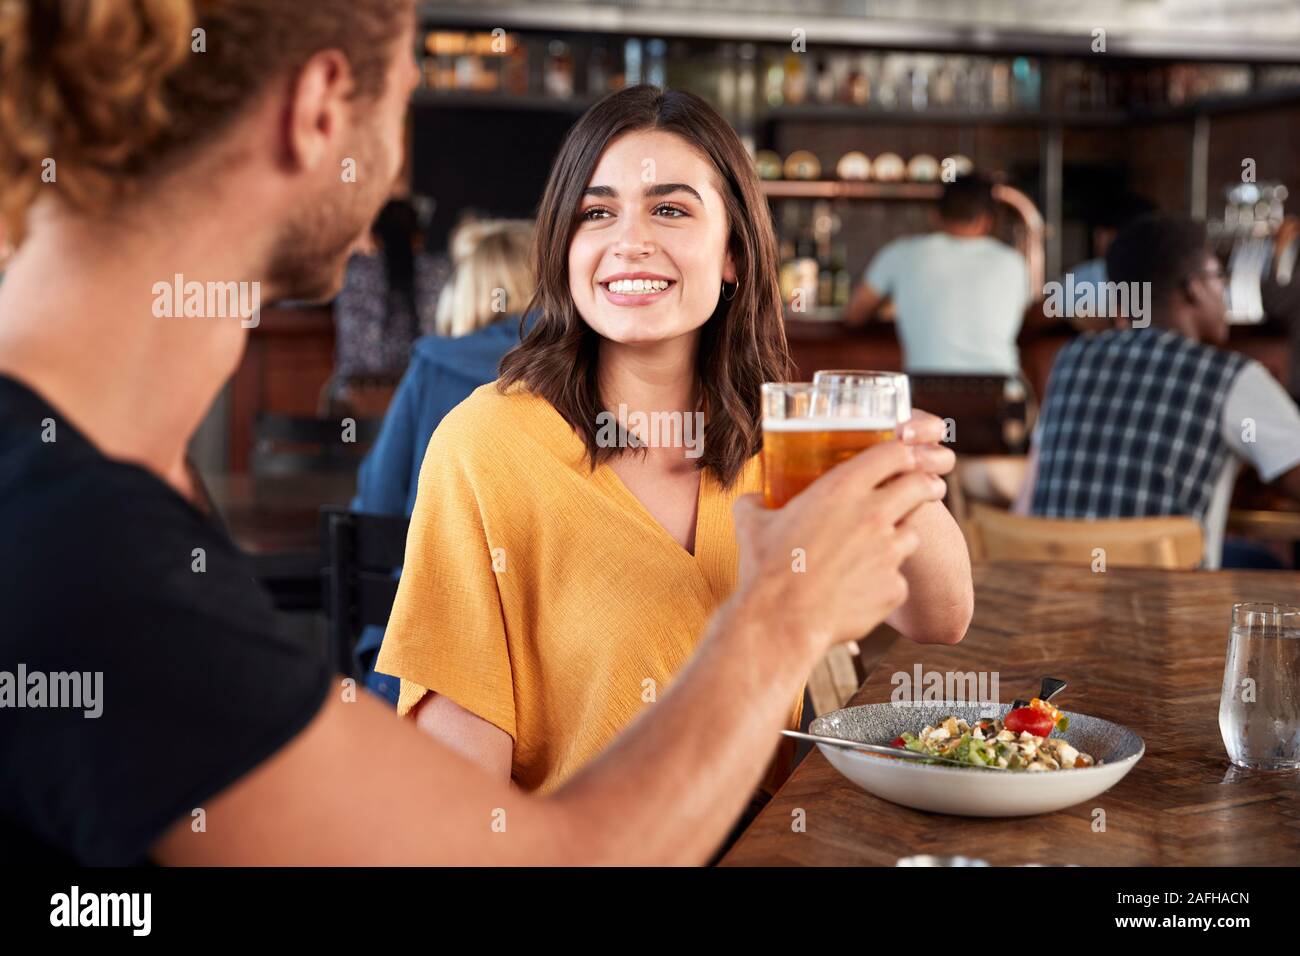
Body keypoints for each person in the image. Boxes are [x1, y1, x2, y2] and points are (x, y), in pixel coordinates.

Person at [0, 0, 950, 865]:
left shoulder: (97, 503)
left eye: (671, 209)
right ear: (321, 107)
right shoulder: (81, 547)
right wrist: (778, 621)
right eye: (410, 83)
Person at [374, 86, 974, 798]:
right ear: (565, 247)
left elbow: (942, 619)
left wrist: (900, 476)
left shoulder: (786, 436)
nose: (630, 240)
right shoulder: (483, 446)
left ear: (734, 255)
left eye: (670, 208)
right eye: (597, 212)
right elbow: (461, 806)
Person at [1013, 214, 1300, 569]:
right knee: (1267, 566)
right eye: (1218, 277)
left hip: (1056, 587)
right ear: (1193, 288)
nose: (1223, 291)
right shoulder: (1231, 376)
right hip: (1164, 606)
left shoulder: (1071, 358)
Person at [353, 219, 536, 701]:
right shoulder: (584, 371)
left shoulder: (433, 366)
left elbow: (376, 504)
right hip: (543, 658)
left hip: (421, 653)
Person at [845, 174, 1029, 375]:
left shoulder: (900, 254)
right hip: (1001, 387)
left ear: (935, 216)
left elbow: (855, 315)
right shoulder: (1013, 262)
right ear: (986, 221)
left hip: (924, 389)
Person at [333, 197, 449, 383]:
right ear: (419, 237)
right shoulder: (440, 271)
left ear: (375, 237)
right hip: (429, 385)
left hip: (359, 390)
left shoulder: (352, 271)